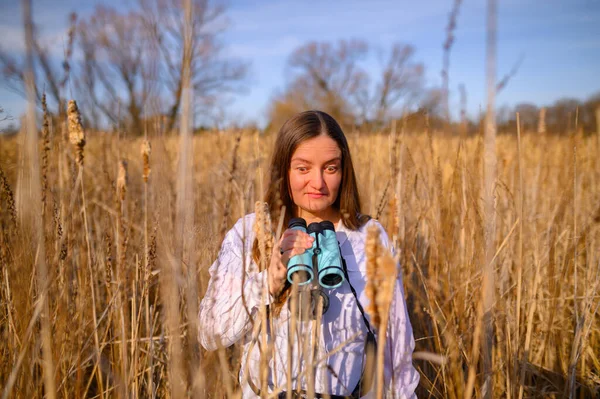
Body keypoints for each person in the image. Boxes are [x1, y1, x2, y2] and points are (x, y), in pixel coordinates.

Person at [198, 110, 419, 398]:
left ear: (344, 171)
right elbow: (210, 334)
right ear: (283, 170)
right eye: (303, 169)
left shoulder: (369, 237)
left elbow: (395, 346)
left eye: (330, 168)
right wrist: (267, 283)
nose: (318, 182)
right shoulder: (251, 231)